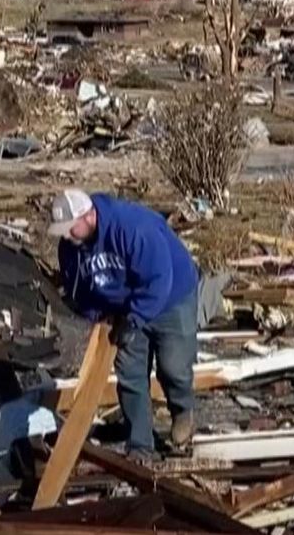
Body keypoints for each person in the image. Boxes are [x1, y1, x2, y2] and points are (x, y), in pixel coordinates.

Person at [49, 188, 199, 459]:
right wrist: (99, 316)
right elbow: (78, 288)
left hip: (170, 298)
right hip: (121, 308)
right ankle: (140, 444)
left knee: (173, 366)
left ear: (89, 216)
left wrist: (136, 318)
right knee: (130, 374)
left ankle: (182, 411)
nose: (66, 235)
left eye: (71, 228)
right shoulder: (70, 248)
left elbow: (158, 279)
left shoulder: (133, 228)